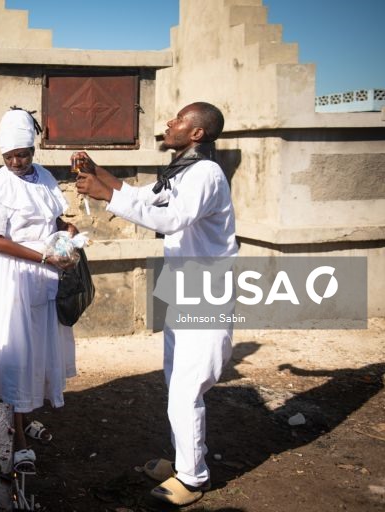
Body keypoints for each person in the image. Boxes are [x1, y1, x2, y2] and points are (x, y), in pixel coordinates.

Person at [75, 102, 237, 506]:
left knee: (186, 388)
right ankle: (184, 461)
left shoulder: (206, 174)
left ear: (197, 133)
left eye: (179, 119)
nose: (169, 122)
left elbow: (169, 220)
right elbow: (139, 195)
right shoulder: (182, 170)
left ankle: (194, 478)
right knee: (175, 381)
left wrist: (104, 197)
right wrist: (98, 174)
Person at [0, 107, 78, 468]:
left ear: (34, 152)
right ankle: (15, 440)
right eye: (10, 155)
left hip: (44, 277)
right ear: (2, 154)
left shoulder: (44, 176)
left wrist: (68, 236)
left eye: (24, 154)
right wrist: (44, 256)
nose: (17, 161)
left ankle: (24, 414)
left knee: (37, 350)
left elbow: (56, 219)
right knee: (16, 353)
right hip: (16, 276)